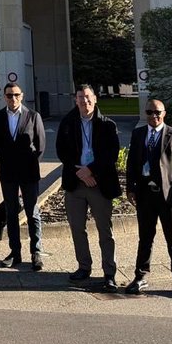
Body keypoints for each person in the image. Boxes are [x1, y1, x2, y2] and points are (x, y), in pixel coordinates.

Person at [56, 85, 122, 290]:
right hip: (75, 182)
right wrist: (80, 172)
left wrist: (91, 171)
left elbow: (111, 154)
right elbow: (61, 151)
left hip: (99, 183)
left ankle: (109, 272)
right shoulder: (67, 123)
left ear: (95, 99)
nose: (84, 101)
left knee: (105, 230)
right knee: (77, 228)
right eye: (80, 98)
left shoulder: (107, 125)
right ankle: (84, 267)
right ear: (75, 101)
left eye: (87, 97)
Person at [125, 97, 172, 298]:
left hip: (168, 196)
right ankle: (140, 276)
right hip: (145, 195)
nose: (154, 116)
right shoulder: (138, 134)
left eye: (158, 112)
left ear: (164, 114)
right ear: (145, 114)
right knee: (145, 238)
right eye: (150, 112)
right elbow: (131, 165)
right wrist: (130, 188)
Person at [0, 82, 47, 271]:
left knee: (32, 213)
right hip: (8, 172)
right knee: (11, 213)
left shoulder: (32, 116)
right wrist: (8, 158)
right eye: (9, 95)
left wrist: (28, 162)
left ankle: (36, 251)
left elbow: (40, 145)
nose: (12, 98)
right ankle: (15, 252)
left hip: (29, 172)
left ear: (21, 96)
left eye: (15, 95)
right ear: (4, 97)